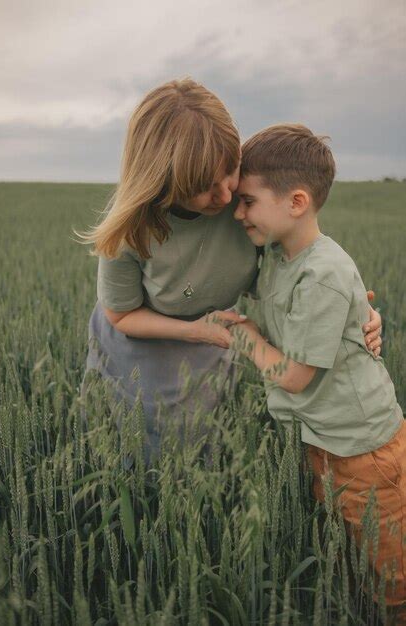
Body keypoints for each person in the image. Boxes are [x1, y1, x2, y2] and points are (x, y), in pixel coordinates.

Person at [76, 78, 382, 465]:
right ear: (163, 183)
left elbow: (302, 262)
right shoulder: (130, 231)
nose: (225, 198)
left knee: (205, 449)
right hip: (139, 344)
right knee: (136, 452)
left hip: (213, 336)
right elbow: (120, 314)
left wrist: (354, 309)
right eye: (205, 188)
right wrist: (192, 330)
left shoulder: (248, 205)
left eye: (230, 173)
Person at [231, 123, 405, 620]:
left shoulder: (322, 272)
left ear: (297, 201)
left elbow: (294, 376)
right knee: (350, 561)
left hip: (364, 449)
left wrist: (241, 332)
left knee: (392, 574)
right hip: (323, 442)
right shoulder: (279, 258)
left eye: (247, 201)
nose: (237, 213)